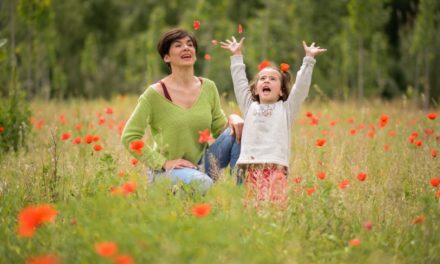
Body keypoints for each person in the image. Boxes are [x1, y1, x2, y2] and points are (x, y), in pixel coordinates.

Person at [122, 28, 243, 192]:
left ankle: (241, 194)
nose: (186, 48)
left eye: (190, 44)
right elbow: (129, 136)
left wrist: (234, 118)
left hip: (201, 165)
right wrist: (163, 163)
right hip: (167, 172)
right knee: (203, 183)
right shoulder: (154, 94)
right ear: (166, 57)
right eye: (178, 45)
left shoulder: (208, 87)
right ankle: (173, 195)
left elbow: (220, 129)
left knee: (238, 132)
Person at [220, 37, 326, 203]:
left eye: (272, 79)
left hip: (275, 167)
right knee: (250, 207)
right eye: (262, 78)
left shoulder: (286, 109)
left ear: (282, 91)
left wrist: (309, 60)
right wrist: (236, 55)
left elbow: (301, 88)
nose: (266, 80)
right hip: (249, 167)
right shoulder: (249, 106)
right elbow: (239, 83)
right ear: (255, 89)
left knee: (273, 207)